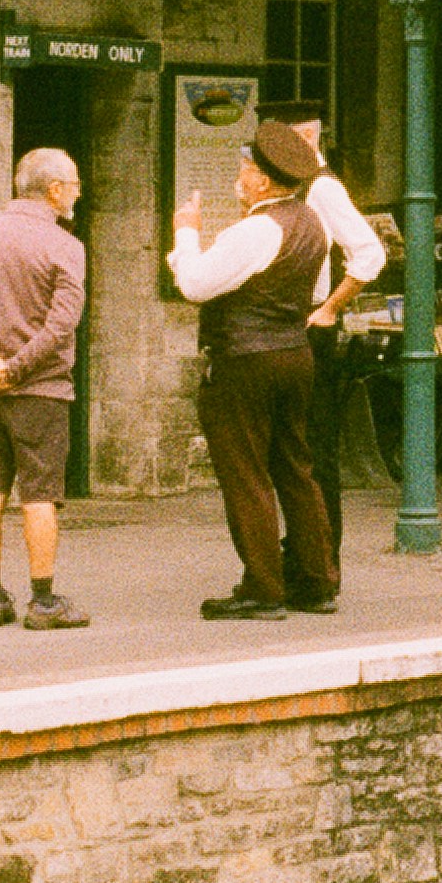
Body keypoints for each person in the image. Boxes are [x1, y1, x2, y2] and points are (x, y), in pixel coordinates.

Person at [169, 119, 338, 619]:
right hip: (294, 353)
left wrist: (186, 233)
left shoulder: (256, 229)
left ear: (263, 182)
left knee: (245, 473)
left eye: (244, 169)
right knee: (295, 468)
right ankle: (317, 580)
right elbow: (313, 293)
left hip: (243, 360)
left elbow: (195, 285)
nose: (238, 177)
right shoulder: (312, 224)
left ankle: (263, 588)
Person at [0, 146, 90, 629]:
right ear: (53, 191)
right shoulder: (66, 246)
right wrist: (17, 368)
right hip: (41, 391)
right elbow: (62, 325)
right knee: (39, 495)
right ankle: (44, 601)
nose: (77, 193)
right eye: (72, 185)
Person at [260, 100, 389, 567]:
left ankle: (320, 559)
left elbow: (370, 253)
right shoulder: (292, 188)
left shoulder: (323, 190)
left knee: (313, 450)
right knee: (290, 449)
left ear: (304, 139)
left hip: (311, 323)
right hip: (286, 323)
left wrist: (332, 307)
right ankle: (302, 551)